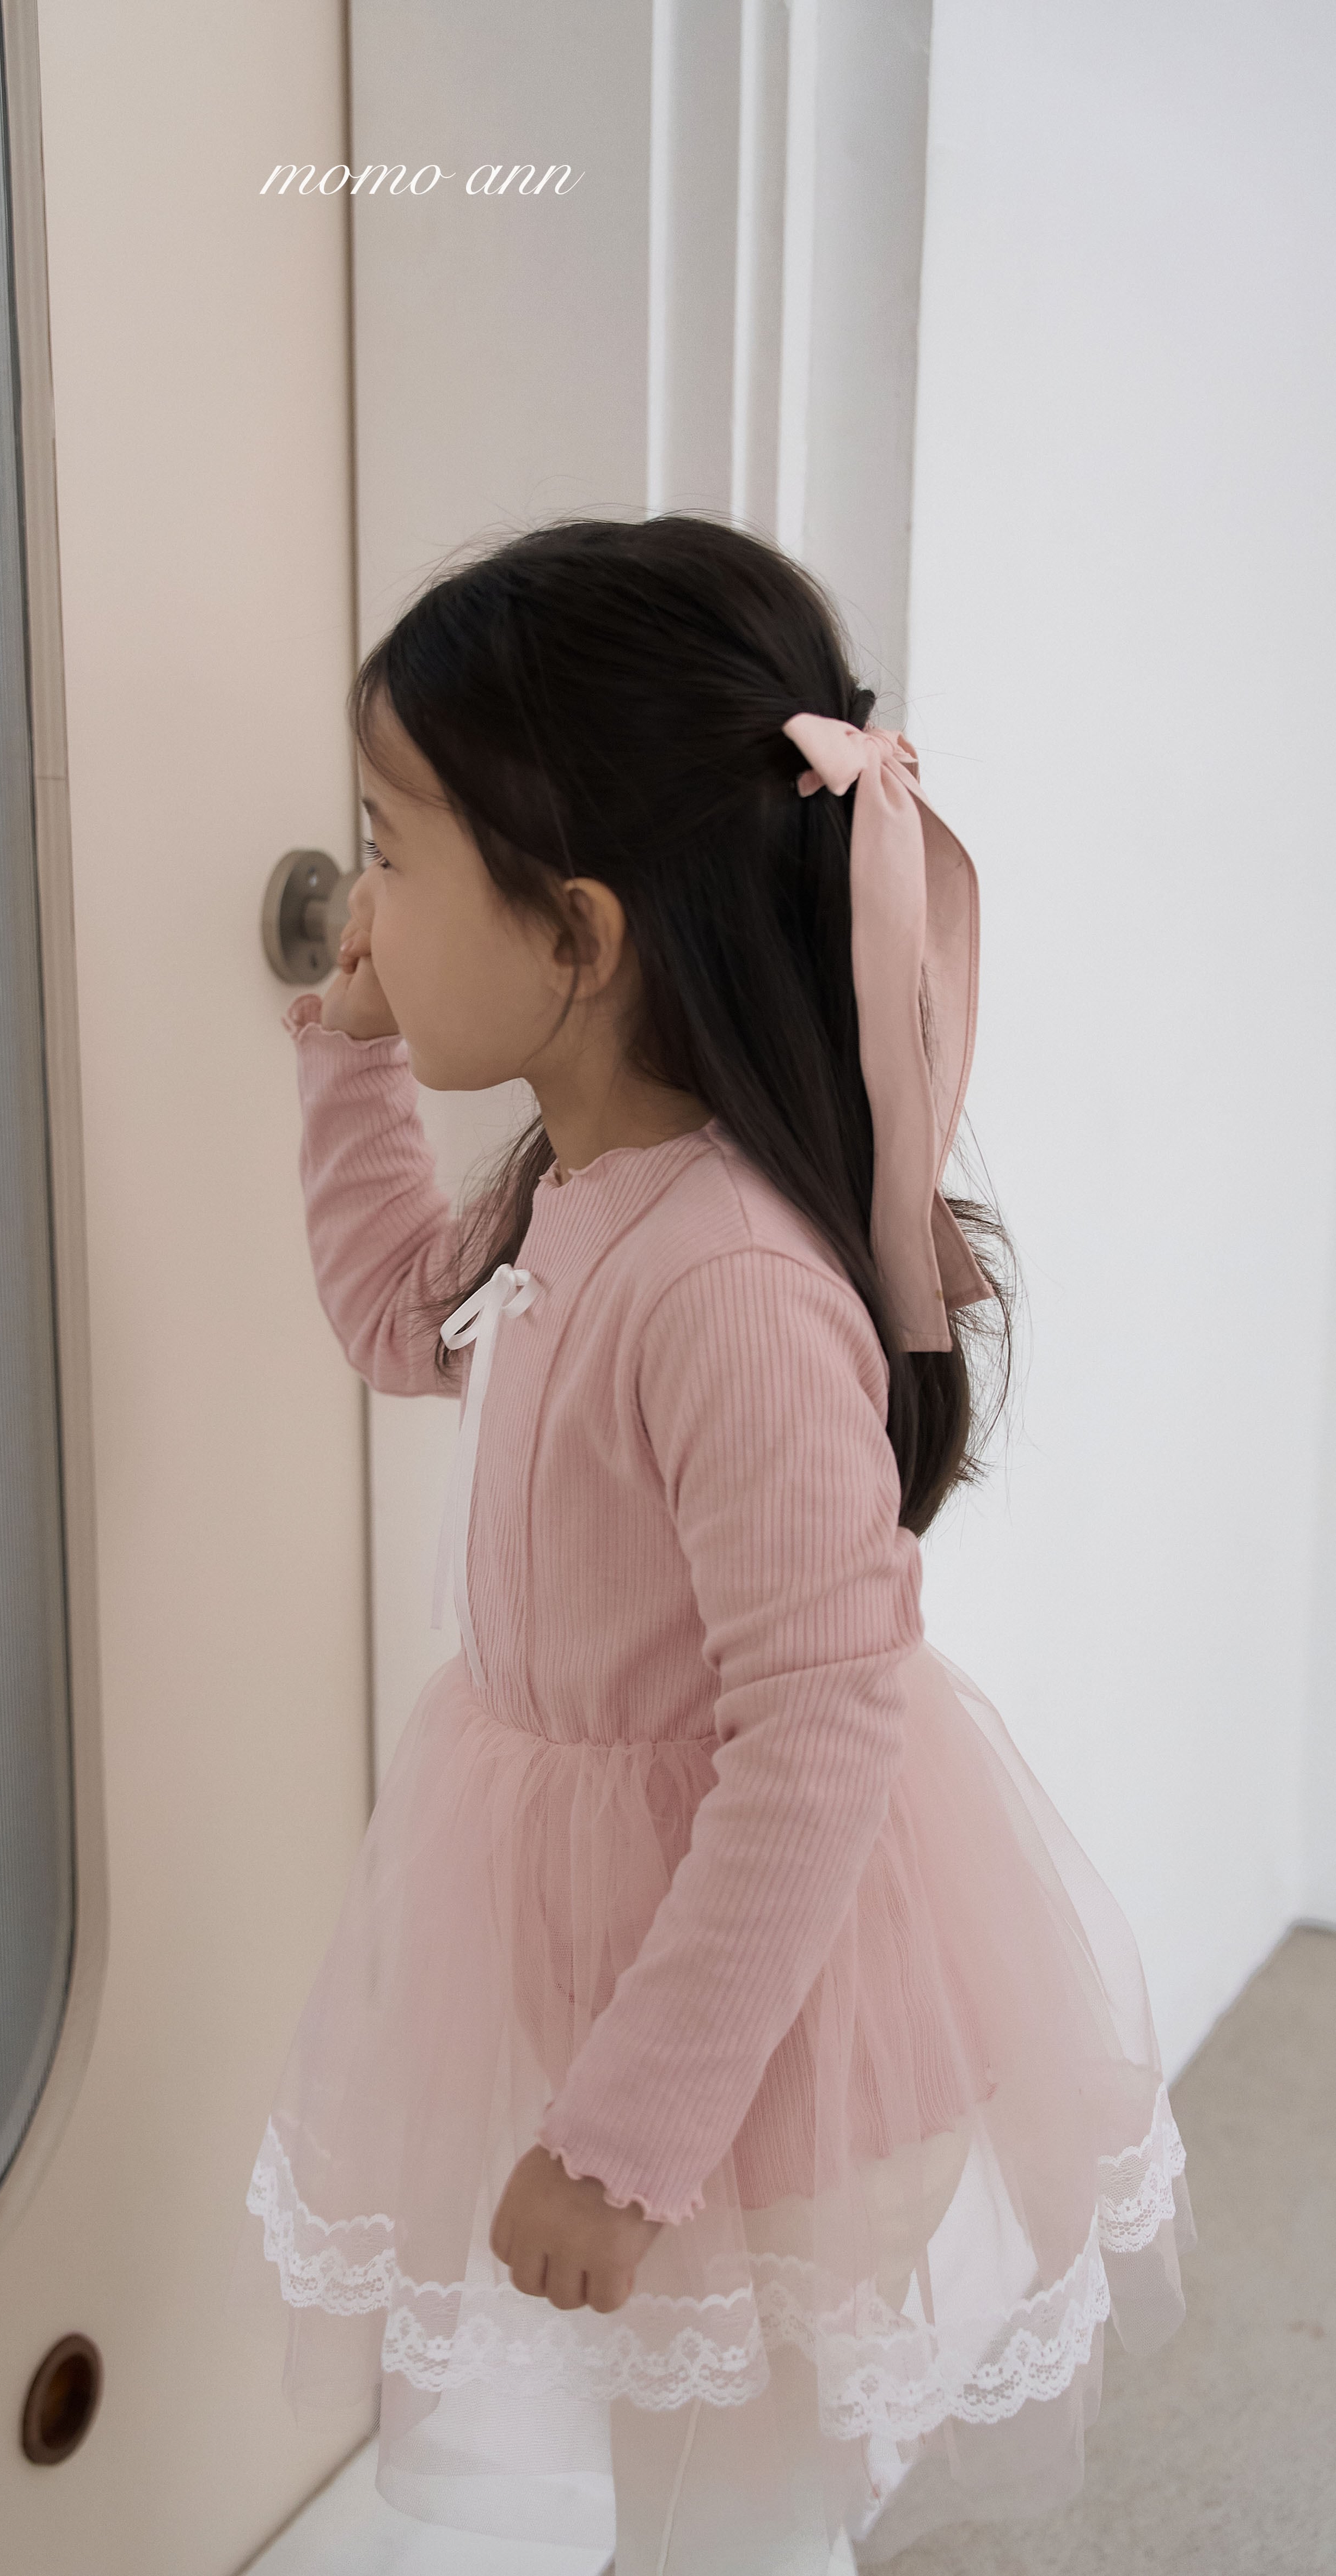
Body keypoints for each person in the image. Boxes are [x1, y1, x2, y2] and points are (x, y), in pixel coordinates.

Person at [223, 515, 1193, 2571]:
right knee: (687, 2498)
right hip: (634, 1961)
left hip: (768, 2023)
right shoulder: (575, 1189)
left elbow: (822, 1732)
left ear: (575, 935)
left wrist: (625, 2136)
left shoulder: (724, 1280)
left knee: (727, 2516)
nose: (361, 902)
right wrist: (352, 1052)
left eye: (391, 850)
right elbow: (393, 1313)